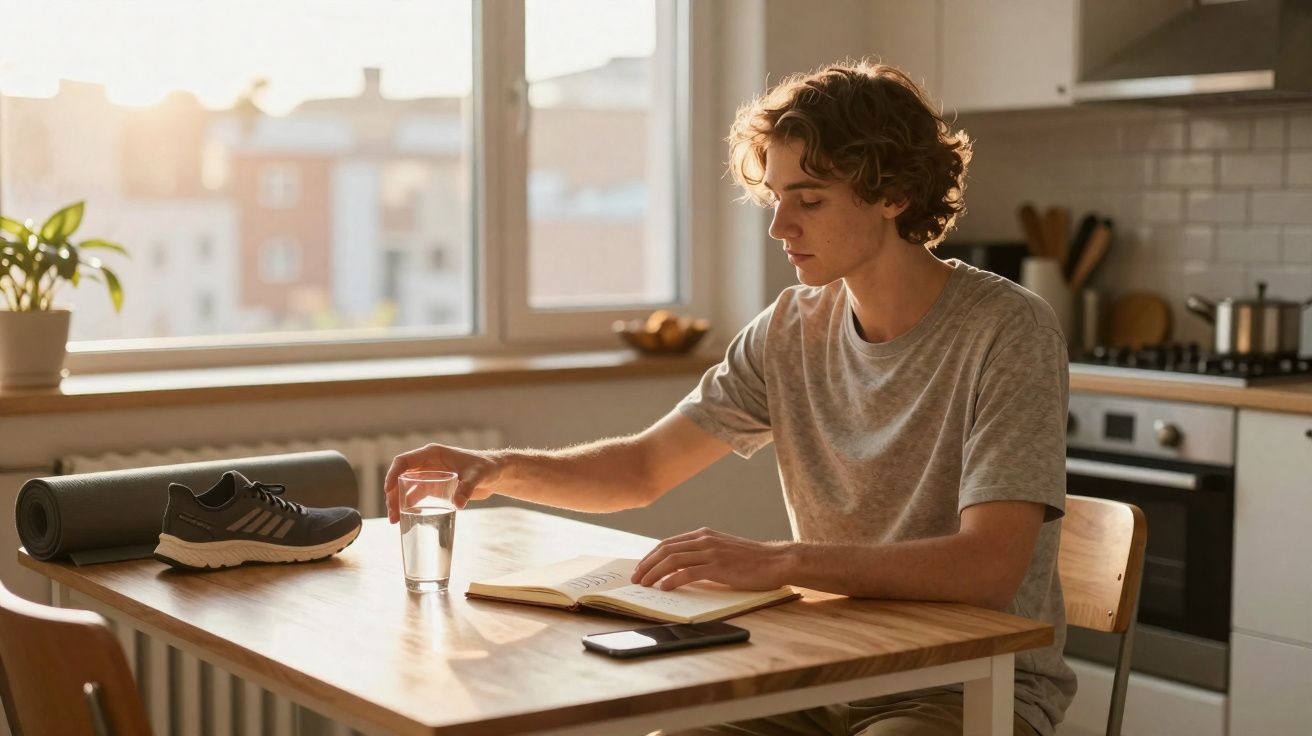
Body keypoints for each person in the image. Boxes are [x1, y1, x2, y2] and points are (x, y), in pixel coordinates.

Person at [384, 60, 1074, 736]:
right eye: (776, 198)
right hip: (825, 666)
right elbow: (641, 469)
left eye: (809, 199)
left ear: (893, 195)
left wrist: (781, 560)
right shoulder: (789, 330)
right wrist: (497, 467)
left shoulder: (1006, 330)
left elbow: (988, 567)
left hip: (968, 684)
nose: (780, 227)